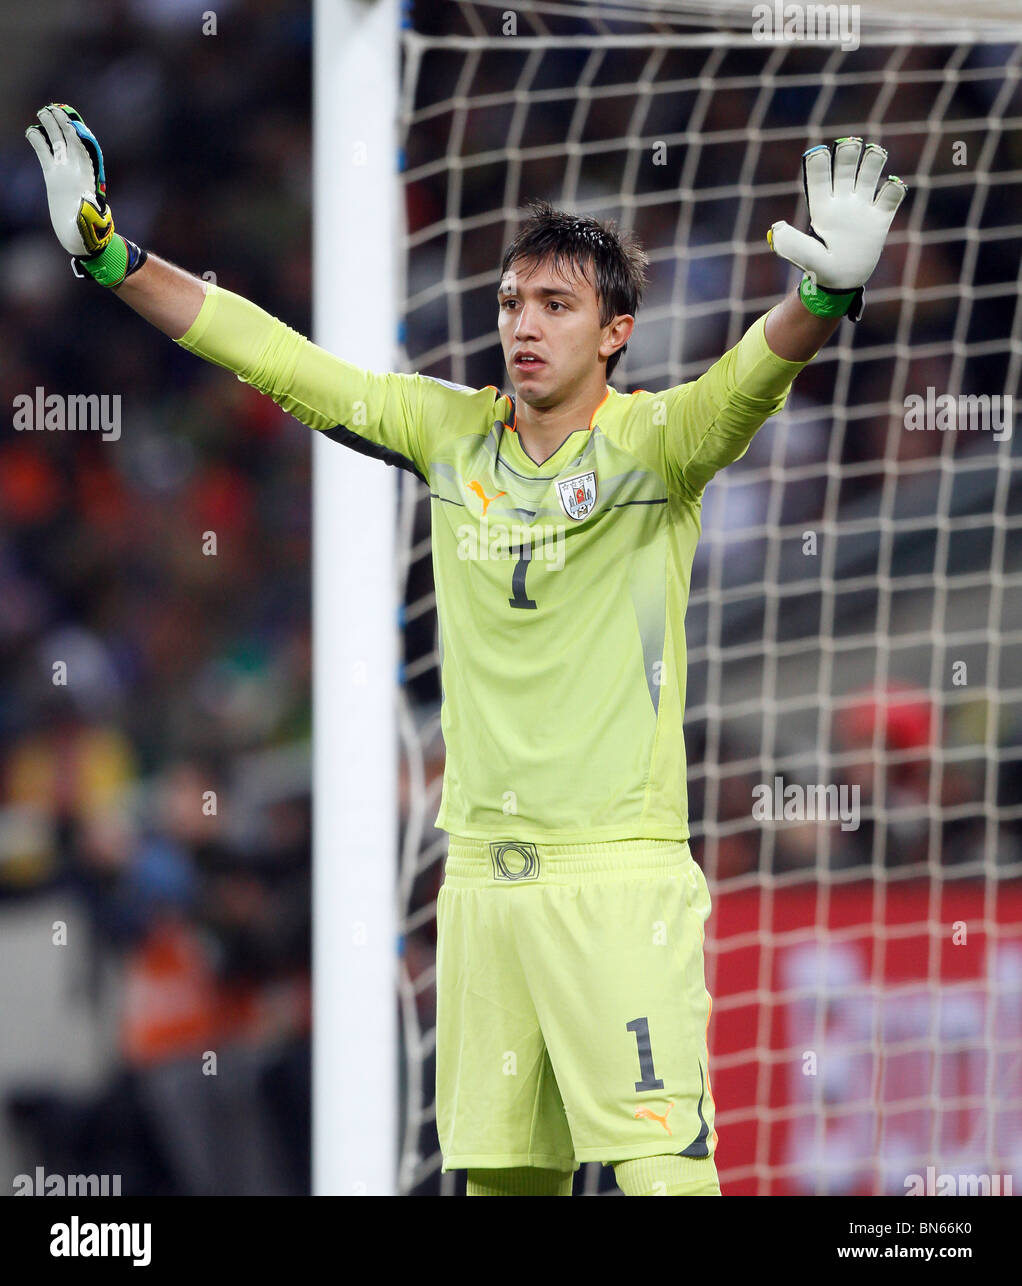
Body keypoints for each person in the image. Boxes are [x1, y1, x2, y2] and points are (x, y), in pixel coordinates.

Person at [27, 104, 907, 1196]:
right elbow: (276, 355)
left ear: (615, 330)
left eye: (554, 303)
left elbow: (749, 376)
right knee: (495, 1184)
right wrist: (113, 259)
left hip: (615, 881)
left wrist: (821, 295)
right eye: (509, 302)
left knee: (661, 1176)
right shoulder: (449, 433)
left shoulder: (657, 445)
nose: (522, 325)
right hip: (481, 883)